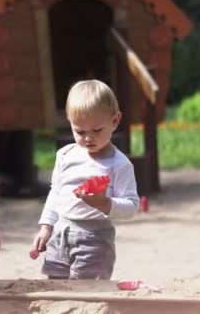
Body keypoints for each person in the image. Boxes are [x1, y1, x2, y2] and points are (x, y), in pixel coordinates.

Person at [31, 79, 139, 280]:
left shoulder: (119, 164)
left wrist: (105, 203)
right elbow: (56, 192)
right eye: (79, 131)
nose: (88, 138)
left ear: (114, 121)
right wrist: (46, 227)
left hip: (94, 239)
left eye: (96, 130)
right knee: (56, 288)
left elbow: (132, 206)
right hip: (60, 234)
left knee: (87, 292)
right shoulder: (65, 155)